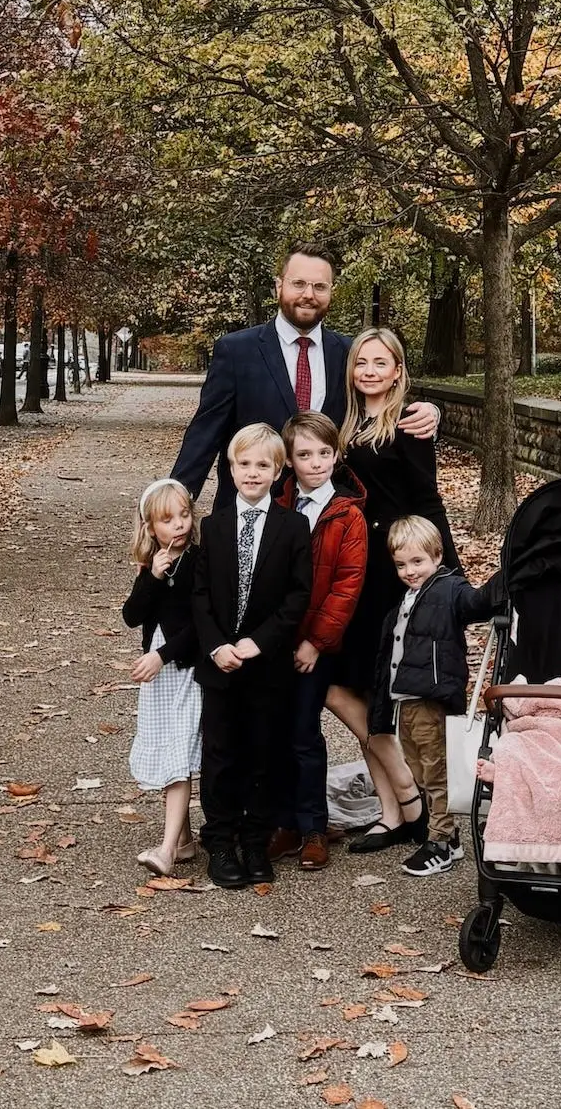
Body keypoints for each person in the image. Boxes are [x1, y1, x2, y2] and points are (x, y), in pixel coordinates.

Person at [171, 243, 439, 501]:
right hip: (254, 511)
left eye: (319, 286)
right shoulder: (236, 351)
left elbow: (381, 404)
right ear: (279, 286)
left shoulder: (349, 353)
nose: (309, 295)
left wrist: (432, 413)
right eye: (298, 284)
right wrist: (174, 498)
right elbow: (205, 433)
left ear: (330, 291)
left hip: (328, 519)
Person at [332, 326, 462, 854]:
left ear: (398, 371)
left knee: (381, 693)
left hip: (392, 572)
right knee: (348, 689)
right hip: (354, 568)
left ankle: (406, 806)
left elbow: (426, 501)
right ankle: (397, 808)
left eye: (380, 363)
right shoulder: (345, 423)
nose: (368, 370)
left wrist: (446, 573)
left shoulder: (408, 424)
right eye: (361, 361)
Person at [188, 423, 313, 891]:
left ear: (280, 472)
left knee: (264, 753)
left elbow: (298, 596)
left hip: (267, 662)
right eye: (245, 464)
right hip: (220, 663)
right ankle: (220, 839)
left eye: (264, 465)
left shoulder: (292, 526)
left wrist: (259, 641)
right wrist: (218, 645)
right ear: (231, 467)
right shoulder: (214, 525)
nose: (253, 472)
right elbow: (200, 596)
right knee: (221, 754)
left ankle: (255, 839)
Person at [269, 410, 368, 872]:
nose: (316, 462)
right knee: (275, 731)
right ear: (288, 460)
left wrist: (314, 642)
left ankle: (312, 825)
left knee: (305, 733)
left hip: (315, 646)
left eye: (324, 453)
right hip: (273, 641)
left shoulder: (347, 516)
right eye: (304, 454)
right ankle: (282, 820)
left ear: (336, 454)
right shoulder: (277, 505)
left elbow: (346, 587)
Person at [375, 516, 492, 877]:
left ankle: (441, 839)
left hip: (431, 697)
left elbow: (478, 603)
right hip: (406, 699)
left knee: (435, 768)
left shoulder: (449, 589)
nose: (409, 571)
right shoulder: (406, 601)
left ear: (437, 556)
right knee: (418, 768)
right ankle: (447, 836)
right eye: (401, 564)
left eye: (417, 562)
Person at [121, 478, 204, 877]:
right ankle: (184, 840)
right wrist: (151, 576)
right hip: (159, 673)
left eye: (184, 515)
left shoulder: (200, 561)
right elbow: (132, 615)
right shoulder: (153, 563)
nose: (179, 525)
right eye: (168, 519)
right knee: (169, 749)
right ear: (151, 527)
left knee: (178, 757)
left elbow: (202, 626)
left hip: (185, 668)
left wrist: (162, 655)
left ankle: (168, 850)